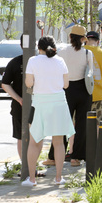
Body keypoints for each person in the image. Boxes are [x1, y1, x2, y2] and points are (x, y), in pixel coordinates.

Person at [22, 36, 75, 186]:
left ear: (39, 47)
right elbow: (66, 85)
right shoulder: (60, 61)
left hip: (39, 103)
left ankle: (32, 179)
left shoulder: (33, 61)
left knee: (34, 142)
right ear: (53, 48)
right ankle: (58, 178)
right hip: (59, 103)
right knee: (58, 142)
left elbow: (29, 83)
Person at [54, 25, 92, 167]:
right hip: (83, 89)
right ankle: (76, 157)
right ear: (83, 39)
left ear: (70, 37)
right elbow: (91, 73)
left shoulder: (62, 52)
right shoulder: (88, 54)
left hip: (66, 89)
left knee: (62, 122)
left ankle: (55, 156)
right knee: (82, 124)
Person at [2, 55, 25, 158]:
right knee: (34, 138)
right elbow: (4, 84)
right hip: (32, 105)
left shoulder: (15, 62)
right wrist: (19, 99)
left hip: (19, 105)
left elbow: (5, 84)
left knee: (21, 137)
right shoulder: (39, 61)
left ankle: (27, 167)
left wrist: (19, 99)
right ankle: (30, 168)